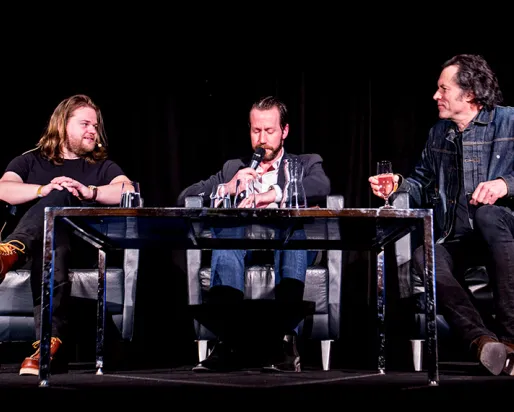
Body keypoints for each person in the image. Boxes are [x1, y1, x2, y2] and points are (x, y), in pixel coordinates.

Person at [369, 54, 514, 376]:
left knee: (490, 216)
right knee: (425, 255)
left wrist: (505, 184)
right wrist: (397, 184)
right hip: (461, 236)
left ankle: (512, 339)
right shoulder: (440, 134)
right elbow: (421, 183)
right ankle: (482, 341)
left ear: (470, 93)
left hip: (505, 233)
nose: (436, 96)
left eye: (443, 89)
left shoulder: (509, 122)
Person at [177, 96, 331, 372]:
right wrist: (228, 188)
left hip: (291, 239)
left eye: (269, 131)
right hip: (244, 240)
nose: (262, 139)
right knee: (227, 237)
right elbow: (185, 197)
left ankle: (286, 343)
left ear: (284, 131)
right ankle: (226, 343)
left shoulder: (305, 163)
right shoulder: (233, 168)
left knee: (292, 236)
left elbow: (321, 186)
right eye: (255, 130)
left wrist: (272, 194)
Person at [0, 94, 132, 376]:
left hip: (78, 250)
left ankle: (10, 250)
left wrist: (89, 192)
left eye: (95, 126)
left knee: (59, 216)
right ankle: (49, 346)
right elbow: (4, 188)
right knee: (55, 210)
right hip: (37, 252)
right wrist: (42, 190)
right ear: (62, 125)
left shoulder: (101, 167)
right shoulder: (29, 161)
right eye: (85, 124)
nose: (93, 132)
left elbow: (127, 191)